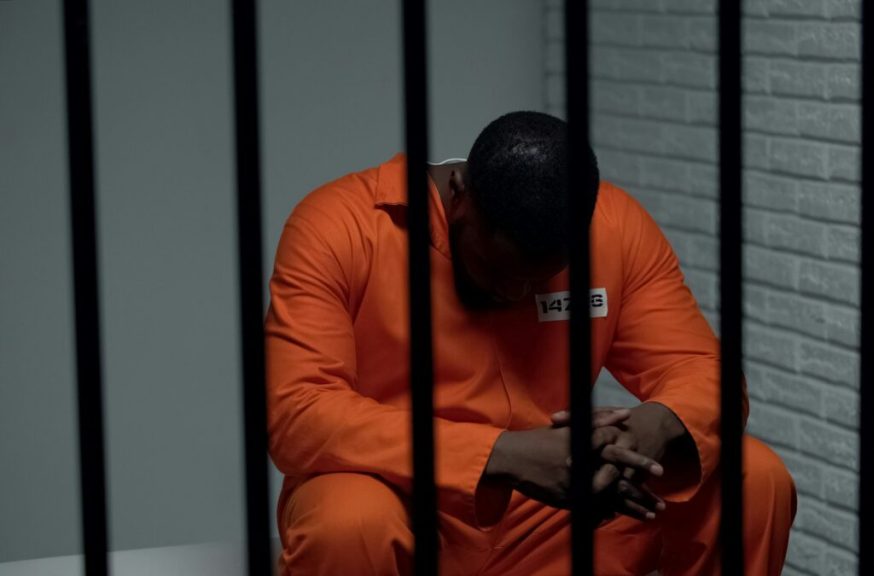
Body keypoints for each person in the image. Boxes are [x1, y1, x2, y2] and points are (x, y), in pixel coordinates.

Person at [266, 111, 796, 575]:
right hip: (403, 502)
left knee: (753, 477)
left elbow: (705, 372)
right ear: (460, 197)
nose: (515, 292)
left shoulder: (615, 228)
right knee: (347, 519)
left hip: (558, 518)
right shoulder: (340, 227)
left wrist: (652, 426)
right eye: (496, 269)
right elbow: (297, 412)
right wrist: (501, 453)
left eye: (540, 278)